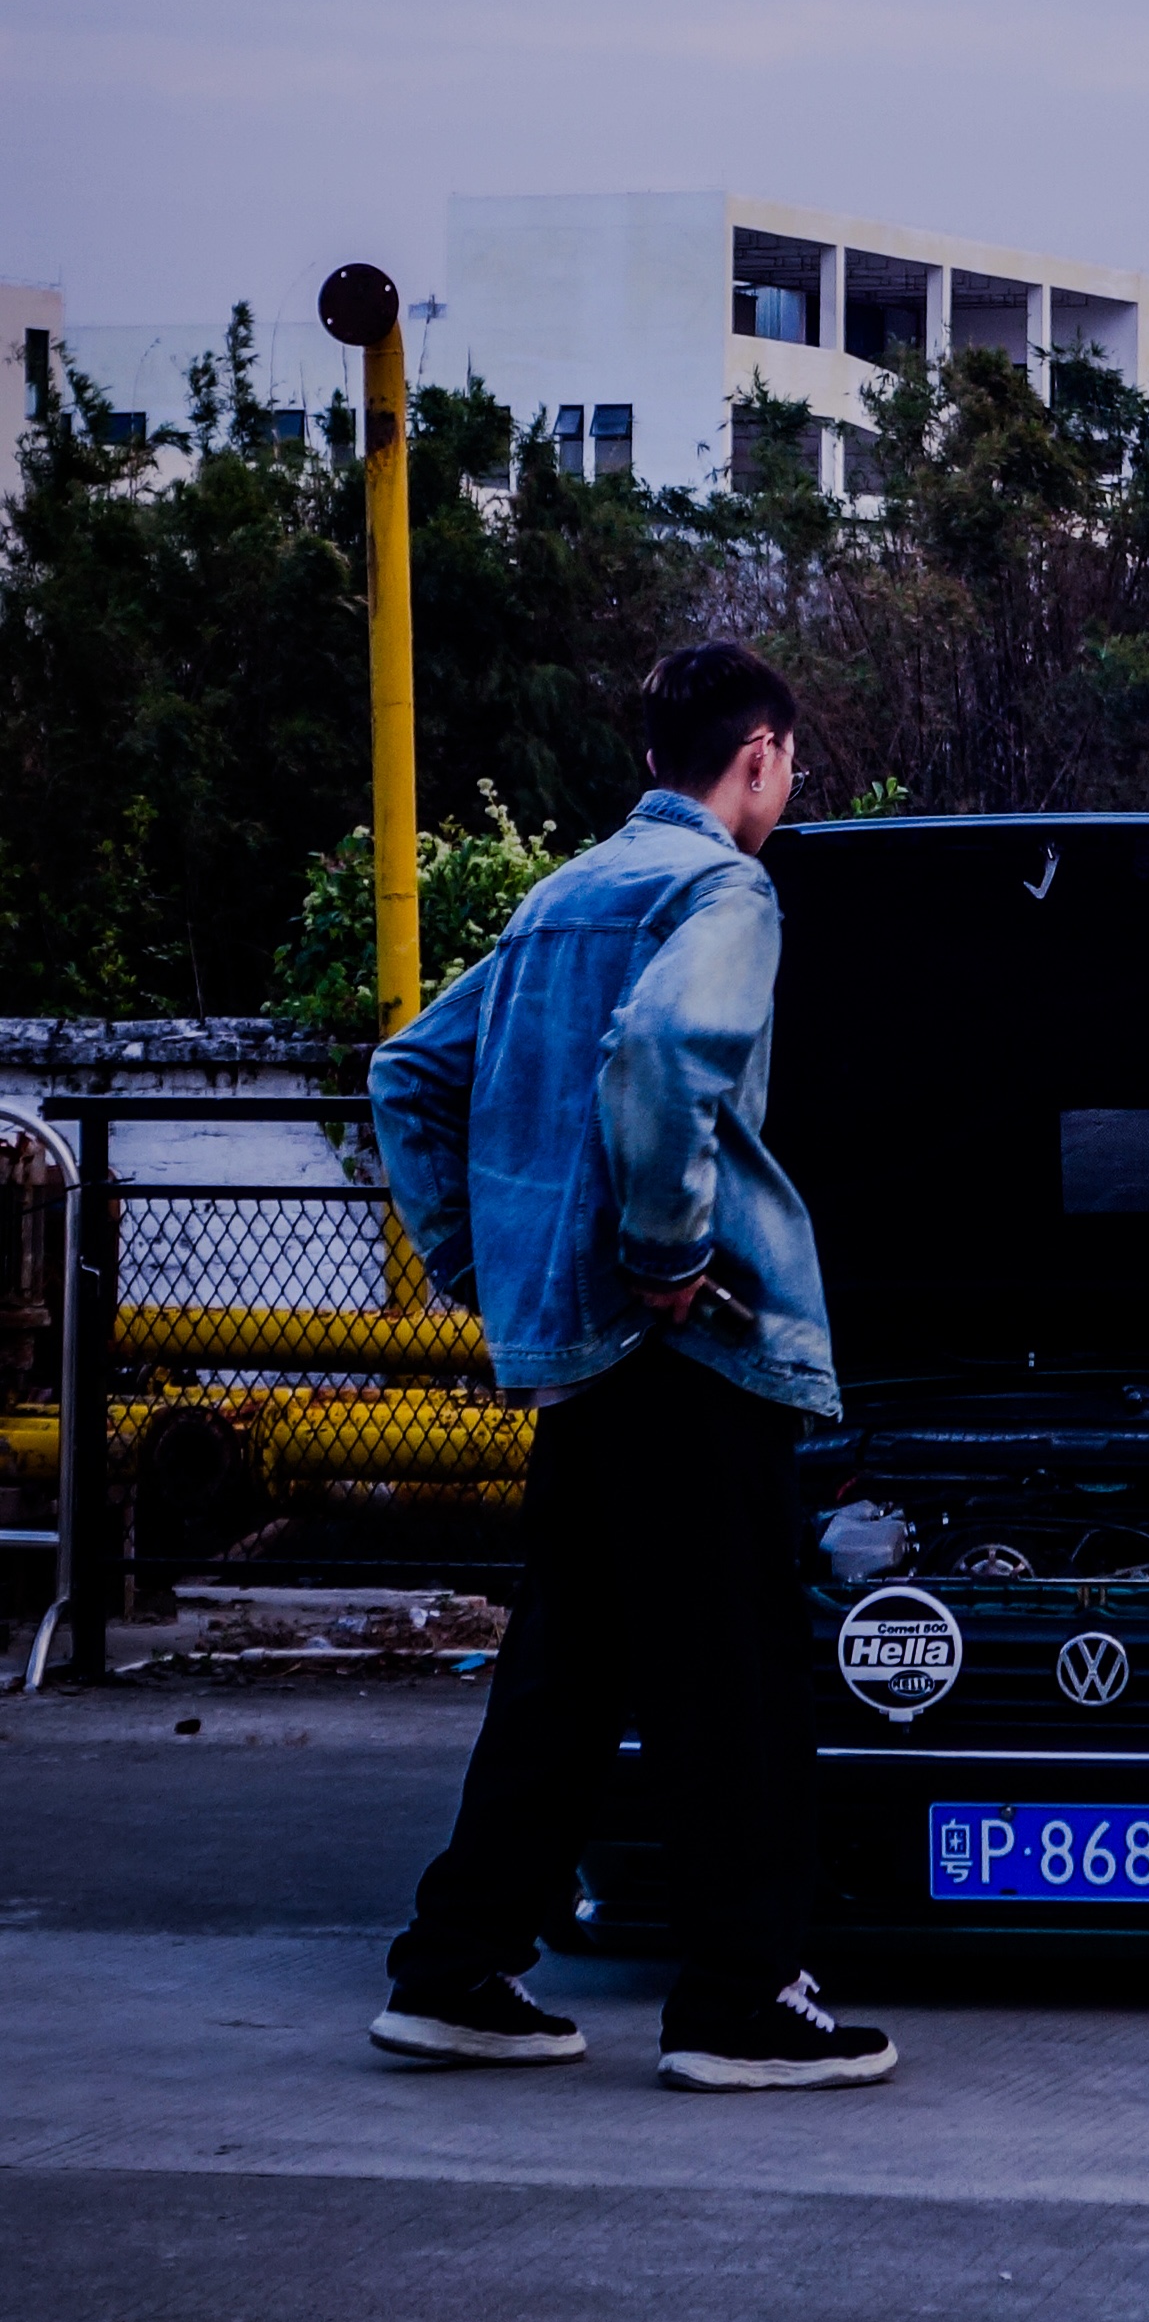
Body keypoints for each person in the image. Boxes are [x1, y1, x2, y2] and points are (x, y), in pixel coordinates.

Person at [367, 642, 896, 2093]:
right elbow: (664, 1051)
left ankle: (455, 1970)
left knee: (567, 1669)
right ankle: (741, 2000)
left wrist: (484, 1265)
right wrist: (666, 1252)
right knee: (739, 1679)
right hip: (690, 1348)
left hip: (583, 1368)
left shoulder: (562, 894)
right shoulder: (724, 890)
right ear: (760, 756)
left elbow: (408, 1073)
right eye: (789, 765)